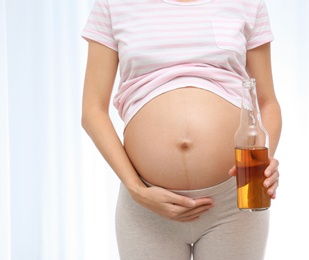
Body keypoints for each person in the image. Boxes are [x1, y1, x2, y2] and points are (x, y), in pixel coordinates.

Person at [81, 0, 282, 259]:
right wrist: (138, 190)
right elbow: (92, 111)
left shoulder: (247, 3)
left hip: (235, 202)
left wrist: (260, 165)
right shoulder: (113, 4)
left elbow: (268, 102)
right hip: (148, 206)